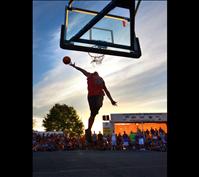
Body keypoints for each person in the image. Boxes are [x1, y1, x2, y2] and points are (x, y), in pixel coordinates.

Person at [69, 62, 117, 142]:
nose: (96, 72)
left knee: (93, 114)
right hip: (92, 97)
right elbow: (82, 70)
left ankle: (88, 129)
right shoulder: (90, 75)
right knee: (94, 112)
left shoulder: (101, 80)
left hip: (95, 96)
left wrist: (112, 100)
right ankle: (89, 128)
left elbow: (106, 90)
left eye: (96, 73)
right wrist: (74, 66)